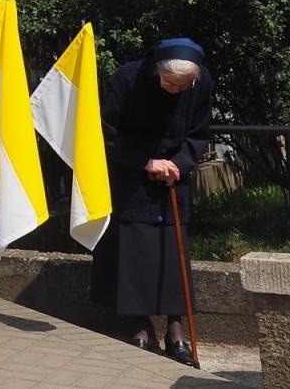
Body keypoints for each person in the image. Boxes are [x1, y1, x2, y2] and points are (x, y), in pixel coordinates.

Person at [90, 37, 213, 364]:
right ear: (156, 72)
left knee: (173, 254)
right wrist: (144, 161)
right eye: (169, 84)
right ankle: (140, 324)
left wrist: (180, 164)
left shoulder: (200, 84)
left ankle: (176, 328)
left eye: (182, 87)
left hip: (174, 178)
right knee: (135, 253)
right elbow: (107, 131)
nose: (174, 91)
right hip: (133, 179)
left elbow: (199, 133)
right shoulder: (127, 79)